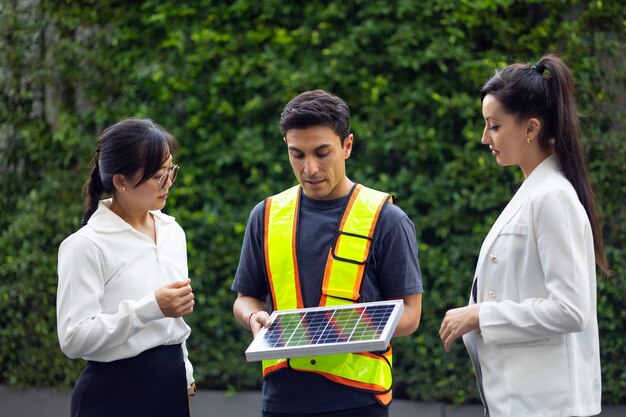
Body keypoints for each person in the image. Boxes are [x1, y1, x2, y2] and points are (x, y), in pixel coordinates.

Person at [232, 89, 423, 417]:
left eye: (322, 153)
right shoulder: (265, 215)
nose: (310, 168)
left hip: (358, 401)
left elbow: (411, 315)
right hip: (281, 399)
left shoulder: (386, 219)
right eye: (297, 154)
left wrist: (343, 331)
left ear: (347, 145)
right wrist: (253, 317)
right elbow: (246, 297)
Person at [439, 55, 610, 416]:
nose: (485, 137)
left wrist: (480, 315)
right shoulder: (537, 190)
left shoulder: (552, 196)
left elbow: (571, 310)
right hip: (524, 400)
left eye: (494, 126)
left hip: (547, 405)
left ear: (531, 127)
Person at [56, 118, 196, 417]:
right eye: (158, 176)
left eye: (170, 171)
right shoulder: (86, 245)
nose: (168, 183)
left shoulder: (173, 232)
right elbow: (73, 338)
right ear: (120, 181)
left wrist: (186, 376)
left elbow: (174, 330)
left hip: (170, 389)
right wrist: (150, 308)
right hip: (113, 395)